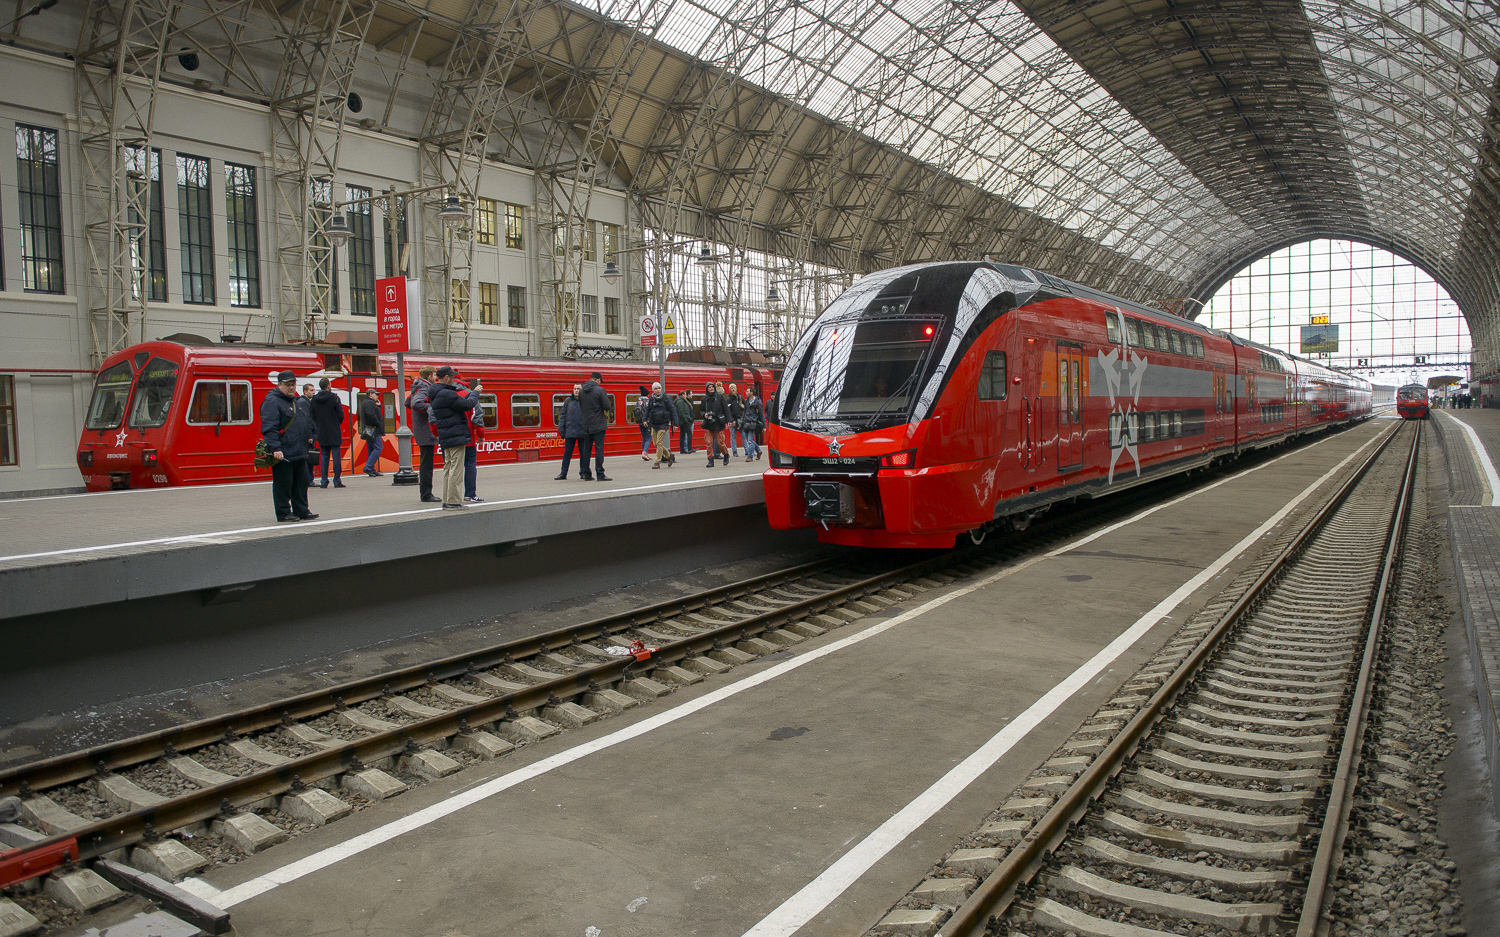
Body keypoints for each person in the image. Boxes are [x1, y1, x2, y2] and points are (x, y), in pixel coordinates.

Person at [260, 370, 318, 522]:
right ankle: (283, 512)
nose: (291, 388)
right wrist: (275, 448)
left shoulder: (294, 401)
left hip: (299, 450)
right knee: (283, 484)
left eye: (293, 384)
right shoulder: (272, 402)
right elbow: (269, 428)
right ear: (279, 384)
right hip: (284, 452)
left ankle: (302, 510)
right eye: (287, 385)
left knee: (301, 482)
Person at [427, 366, 478, 509]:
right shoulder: (447, 394)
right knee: (456, 469)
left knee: (448, 468)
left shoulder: (436, 394)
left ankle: (447, 499)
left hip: (445, 436)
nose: (454, 379)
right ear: (446, 377)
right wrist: (475, 393)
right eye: (452, 376)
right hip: (455, 435)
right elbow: (467, 405)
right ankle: (454, 501)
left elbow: (457, 404)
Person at [406, 365, 441, 503]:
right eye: (434, 375)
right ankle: (426, 494)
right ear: (428, 376)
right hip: (425, 430)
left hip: (421, 428)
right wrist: (432, 408)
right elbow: (415, 403)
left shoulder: (417, 386)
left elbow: (408, 402)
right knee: (427, 465)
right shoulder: (425, 387)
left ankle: (426, 493)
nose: (435, 377)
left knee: (425, 463)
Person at [577, 370, 614, 481]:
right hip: (598, 425)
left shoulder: (582, 391)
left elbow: (581, 406)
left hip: (586, 425)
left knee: (586, 450)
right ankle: (600, 474)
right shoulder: (600, 390)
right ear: (598, 380)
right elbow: (607, 406)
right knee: (599, 449)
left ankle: (586, 474)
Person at [309, 378, 346, 488]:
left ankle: (324, 481)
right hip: (333, 430)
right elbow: (341, 415)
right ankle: (337, 480)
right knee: (336, 456)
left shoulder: (314, 400)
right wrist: (335, 423)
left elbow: (312, 416)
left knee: (324, 456)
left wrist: (319, 425)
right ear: (328, 386)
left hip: (322, 431)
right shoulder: (334, 398)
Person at [554, 384, 586, 479]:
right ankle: (563, 473)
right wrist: (561, 429)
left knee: (583, 454)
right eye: (575, 389)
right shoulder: (568, 401)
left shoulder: (585, 401)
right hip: (570, 431)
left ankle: (583, 472)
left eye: (578, 389)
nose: (576, 390)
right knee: (567, 454)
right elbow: (563, 415)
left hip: (582, 431)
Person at [700, 381, 730, 467]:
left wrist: (728, 420)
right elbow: (701, 410)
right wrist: (704, 414)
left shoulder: (720, 397)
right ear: (707, 389)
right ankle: (710, 460)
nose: (711, 388)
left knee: (720, 442)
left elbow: (726, 409)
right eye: (709, 387)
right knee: (709, 442)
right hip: (708, 423)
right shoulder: (704, 399)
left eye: (712, 387)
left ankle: (726, 454)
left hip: (718, 423)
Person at [647, 382, 676, 468]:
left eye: (659, 388)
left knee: (659, 443)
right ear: (653, 390)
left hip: (663, 424)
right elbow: (648, 410)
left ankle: (657, 462)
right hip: (654, 423)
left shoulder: (666, 398)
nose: (657, 390)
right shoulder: (651, 399)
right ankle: (668, 456)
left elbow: (673, 410)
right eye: (655, 388)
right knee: (655, 443)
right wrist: (644, 419)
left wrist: (675, 423)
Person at [359, 389, 386, 477]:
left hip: (369, 430)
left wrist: (378, 406)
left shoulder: (366, 402)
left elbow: (373, 413)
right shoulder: (369, 403)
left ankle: (372, 469)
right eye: (375, 394)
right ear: (370, 394)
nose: (377, 396)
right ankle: (368, 467)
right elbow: (371, 414)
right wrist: (378, 423)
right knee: (378, 448)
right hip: (373, 430)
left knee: (371, 449)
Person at [740, 387, 765, 461]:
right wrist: (742, 420)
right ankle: (759, 451)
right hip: (746, 422)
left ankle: (750, 456)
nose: (746, 392)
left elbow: (761, 414)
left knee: (750, 440)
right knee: (749, 440)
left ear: (751, 393)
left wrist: (764, 426)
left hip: (753, 423)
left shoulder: (757, 402)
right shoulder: (746, 401)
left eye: (747, 391)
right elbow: (744, 412)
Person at [725, 382, 744, 455]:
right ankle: (734, 451)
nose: (733, 389)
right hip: (733, 421)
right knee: (733, 436)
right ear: (729, 390)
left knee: (744, 436)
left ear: (736, 389)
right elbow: (728, 411)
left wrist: (743, 407)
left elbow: (745, 407)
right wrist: (731, 420)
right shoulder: (728, 399)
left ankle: (747, 450)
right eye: (731, 388)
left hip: (740, 420)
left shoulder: (740, 397)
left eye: (734, 388)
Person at [634, 386, 652, 460]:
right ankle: (644, 452)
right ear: (647, 394)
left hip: (640, 422)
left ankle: (645, 453)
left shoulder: (638, 402)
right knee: (648, 437)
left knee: (644, 437)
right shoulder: (648, 401)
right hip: (647, 422)